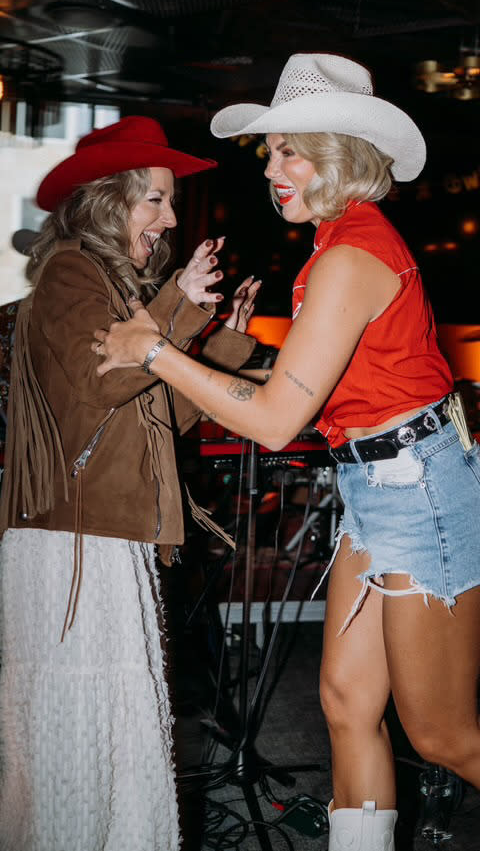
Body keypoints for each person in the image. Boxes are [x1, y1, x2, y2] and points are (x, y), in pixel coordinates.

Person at [92, 56, 480, 851]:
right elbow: (299, 387)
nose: (272, 169)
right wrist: (189, 355)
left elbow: (274, 420)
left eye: (291, 150)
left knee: (443, 733)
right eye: (271, 152)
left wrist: (154, 350)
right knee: (344, 702)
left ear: (338, 156)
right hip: (381, 487)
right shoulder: (337, 244)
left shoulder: (349, 255)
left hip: (423, 493)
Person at [0, 115, 260, 851]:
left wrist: (224, 341)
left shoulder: (115, 290)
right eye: (155, 199)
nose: (171, 218)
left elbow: (160, 417)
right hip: (74, 543)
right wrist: (178, 304)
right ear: (106, 199)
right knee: (81, 727)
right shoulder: (71, 272)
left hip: (107, 535)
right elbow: (103, 378)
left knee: (111, 725)